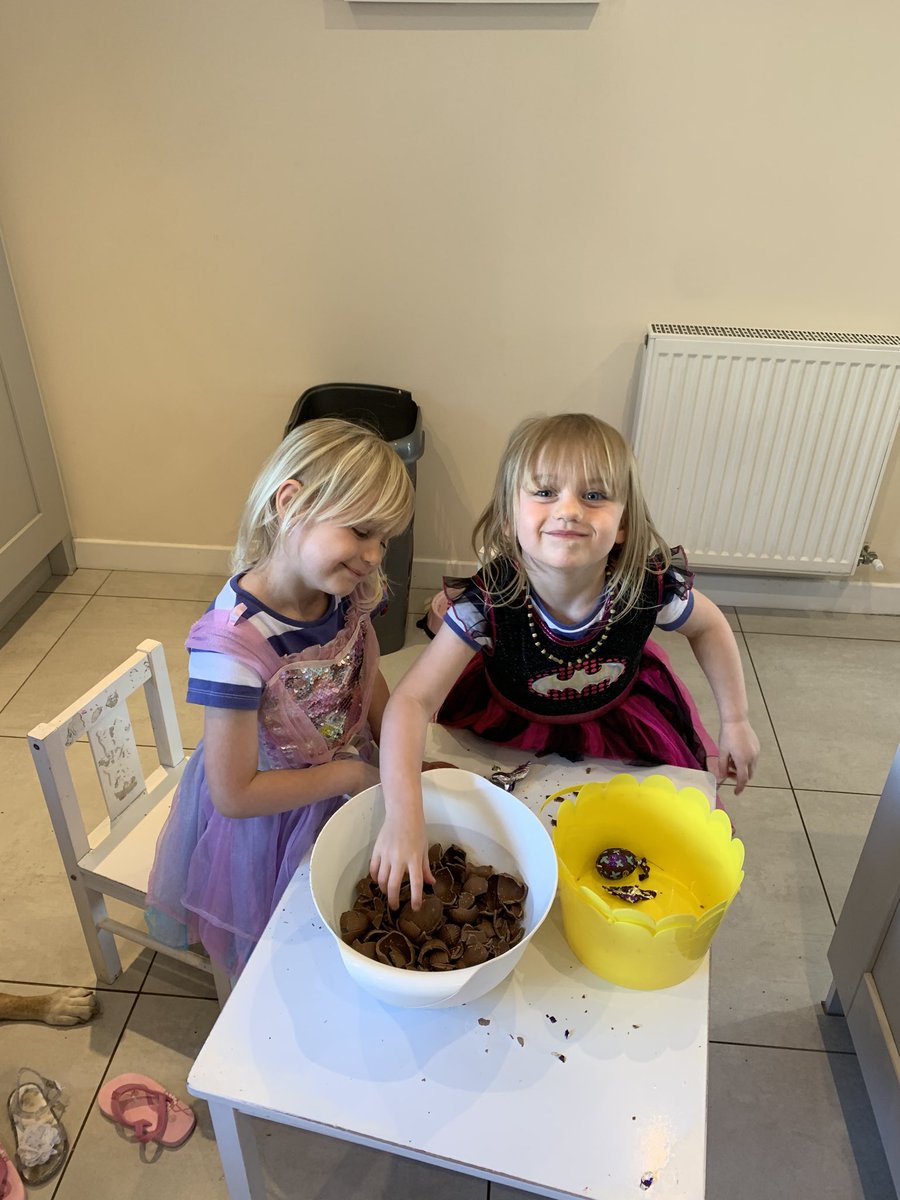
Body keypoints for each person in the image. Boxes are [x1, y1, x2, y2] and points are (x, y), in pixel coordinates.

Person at [372, 412, 759, 909]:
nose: (570, 510)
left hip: (622, 714)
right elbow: (412, 700)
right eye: (546, 492)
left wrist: (736, 719)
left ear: (623, 526)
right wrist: (404, 816)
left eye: (594, 496)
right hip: (508, 715)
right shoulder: (487, 601)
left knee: (640, 830)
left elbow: (708, 625)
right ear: (509, 518)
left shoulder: (647, 586)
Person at [146, 418, 415, 976]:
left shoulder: (340, 590)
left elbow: (366, 676)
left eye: (383, 539)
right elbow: (235, 794)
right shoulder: (234, 643)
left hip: (347, 770)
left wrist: (399, 752)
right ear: (290, 502)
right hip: (269, 820)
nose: (372, 556)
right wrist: (353, 777)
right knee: (291, 951)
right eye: (361, 531)